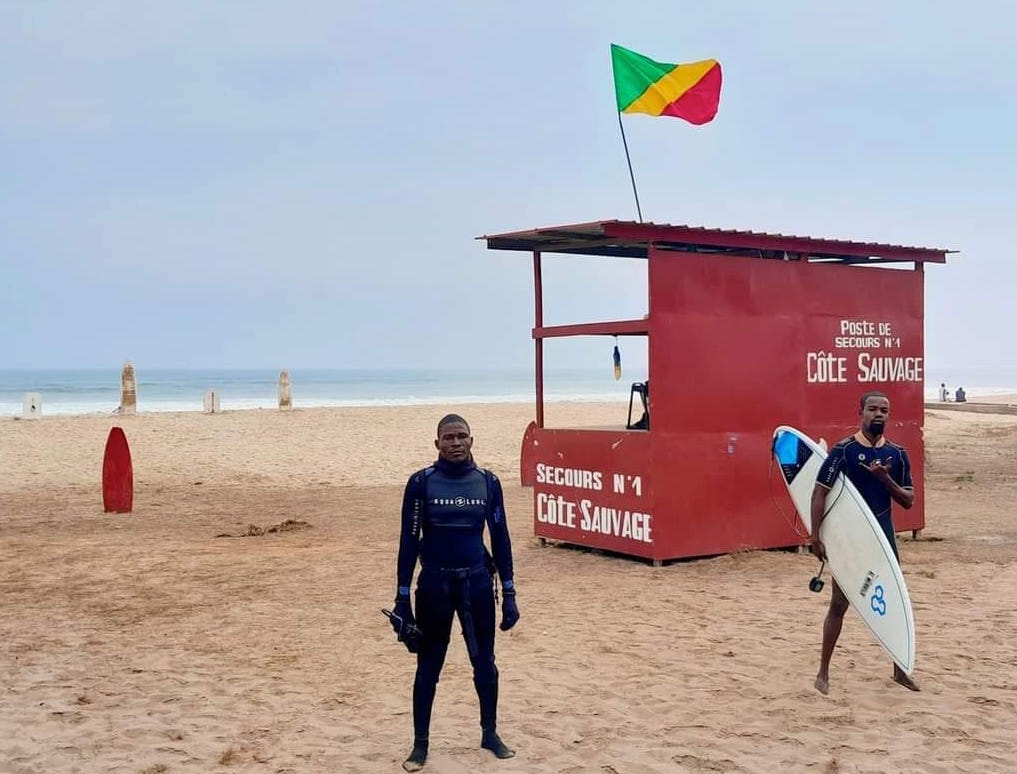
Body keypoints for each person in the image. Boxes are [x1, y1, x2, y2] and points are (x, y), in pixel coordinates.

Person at [392, 413, 520, 771]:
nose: (456, 443)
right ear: (437, 444)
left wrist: (509, 592)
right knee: (427, 668)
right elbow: (408, 542)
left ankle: (490, 733)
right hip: (434, 586)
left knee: (485, 665)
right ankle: (420, 744)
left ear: (471, 440)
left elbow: (501, 538)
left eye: (461, 436)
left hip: (476, 584)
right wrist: (402, 598)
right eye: (448, 438)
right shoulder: (421, 483)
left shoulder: (488, 483)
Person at [810, 391, 920, 695]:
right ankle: (823, 671)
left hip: (884, 540)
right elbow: (819, 492)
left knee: (894, 602)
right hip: (852, 540)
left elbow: (908, 500)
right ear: (860, 412)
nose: (878, 414)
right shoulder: (843, 451)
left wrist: (885, 479)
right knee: (839, 604)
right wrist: (815, 535)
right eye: (872, 409)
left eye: (884, 410)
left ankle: (900, 671)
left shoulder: (897, 454)